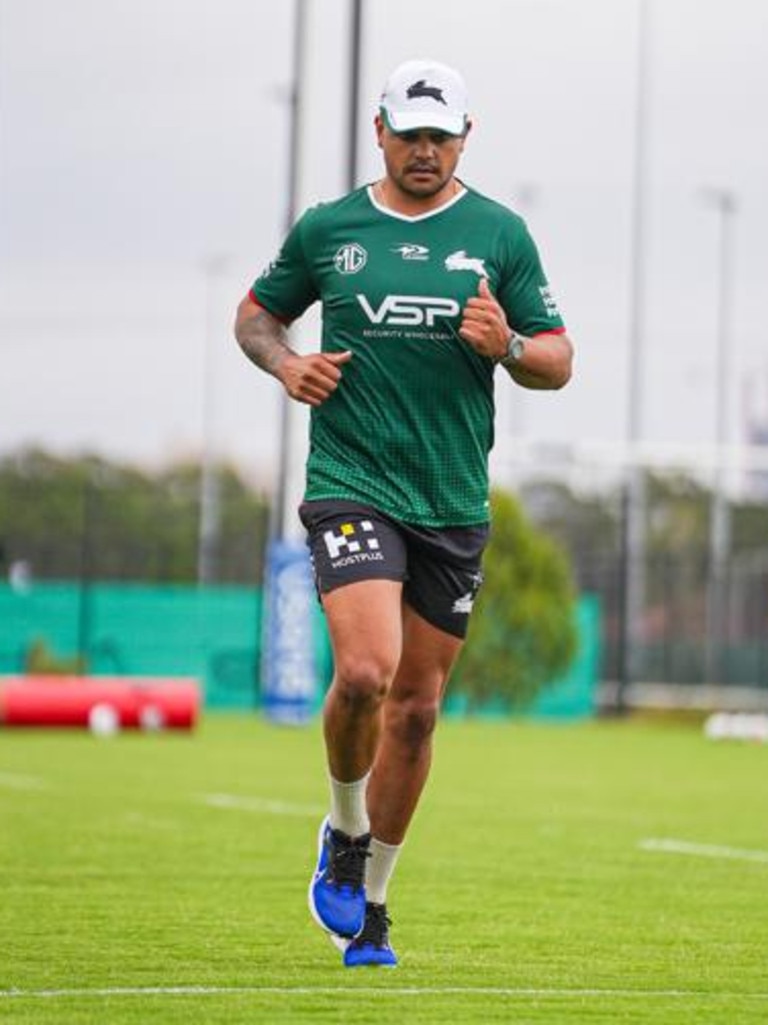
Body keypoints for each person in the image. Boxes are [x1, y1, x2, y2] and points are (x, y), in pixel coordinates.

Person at [235, 58, 574, 968]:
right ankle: (345, 828)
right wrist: (284, 364)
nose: (424, 150)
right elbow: (256, 317)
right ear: (378, 131)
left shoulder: (500, 234)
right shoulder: (331, 228)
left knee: (417, 711)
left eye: (441, 135)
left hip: (452, 499)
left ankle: (373, 899)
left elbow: (557, 357)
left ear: (466, 137)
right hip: (353, 479)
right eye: (409, 133)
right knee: (367, 673)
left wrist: (506, 343)